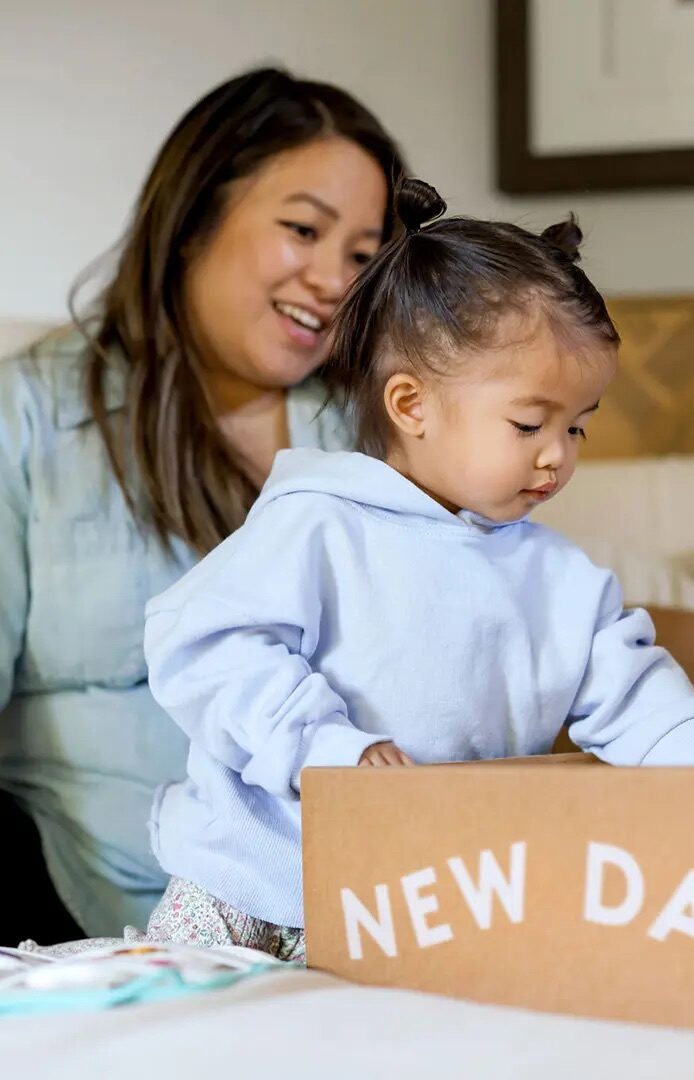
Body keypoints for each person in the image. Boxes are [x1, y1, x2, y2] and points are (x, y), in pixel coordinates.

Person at [139, 179, 694, 960]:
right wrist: (329, 748)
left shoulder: (561, 582)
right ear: (411, 405)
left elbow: (645, 704)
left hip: (415, 898)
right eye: (530, 422)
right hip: (244, 881)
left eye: (579, 428)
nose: (557, 454)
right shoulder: (318, 523)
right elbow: (201, 646)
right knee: (172, 1035)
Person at [0, 67, 406, 941]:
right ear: (192, 223)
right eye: (304, 229)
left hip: (315, 903)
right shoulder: (28, 414)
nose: (334, 280)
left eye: (363, 256)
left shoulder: (375, 443)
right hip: (65, 893)